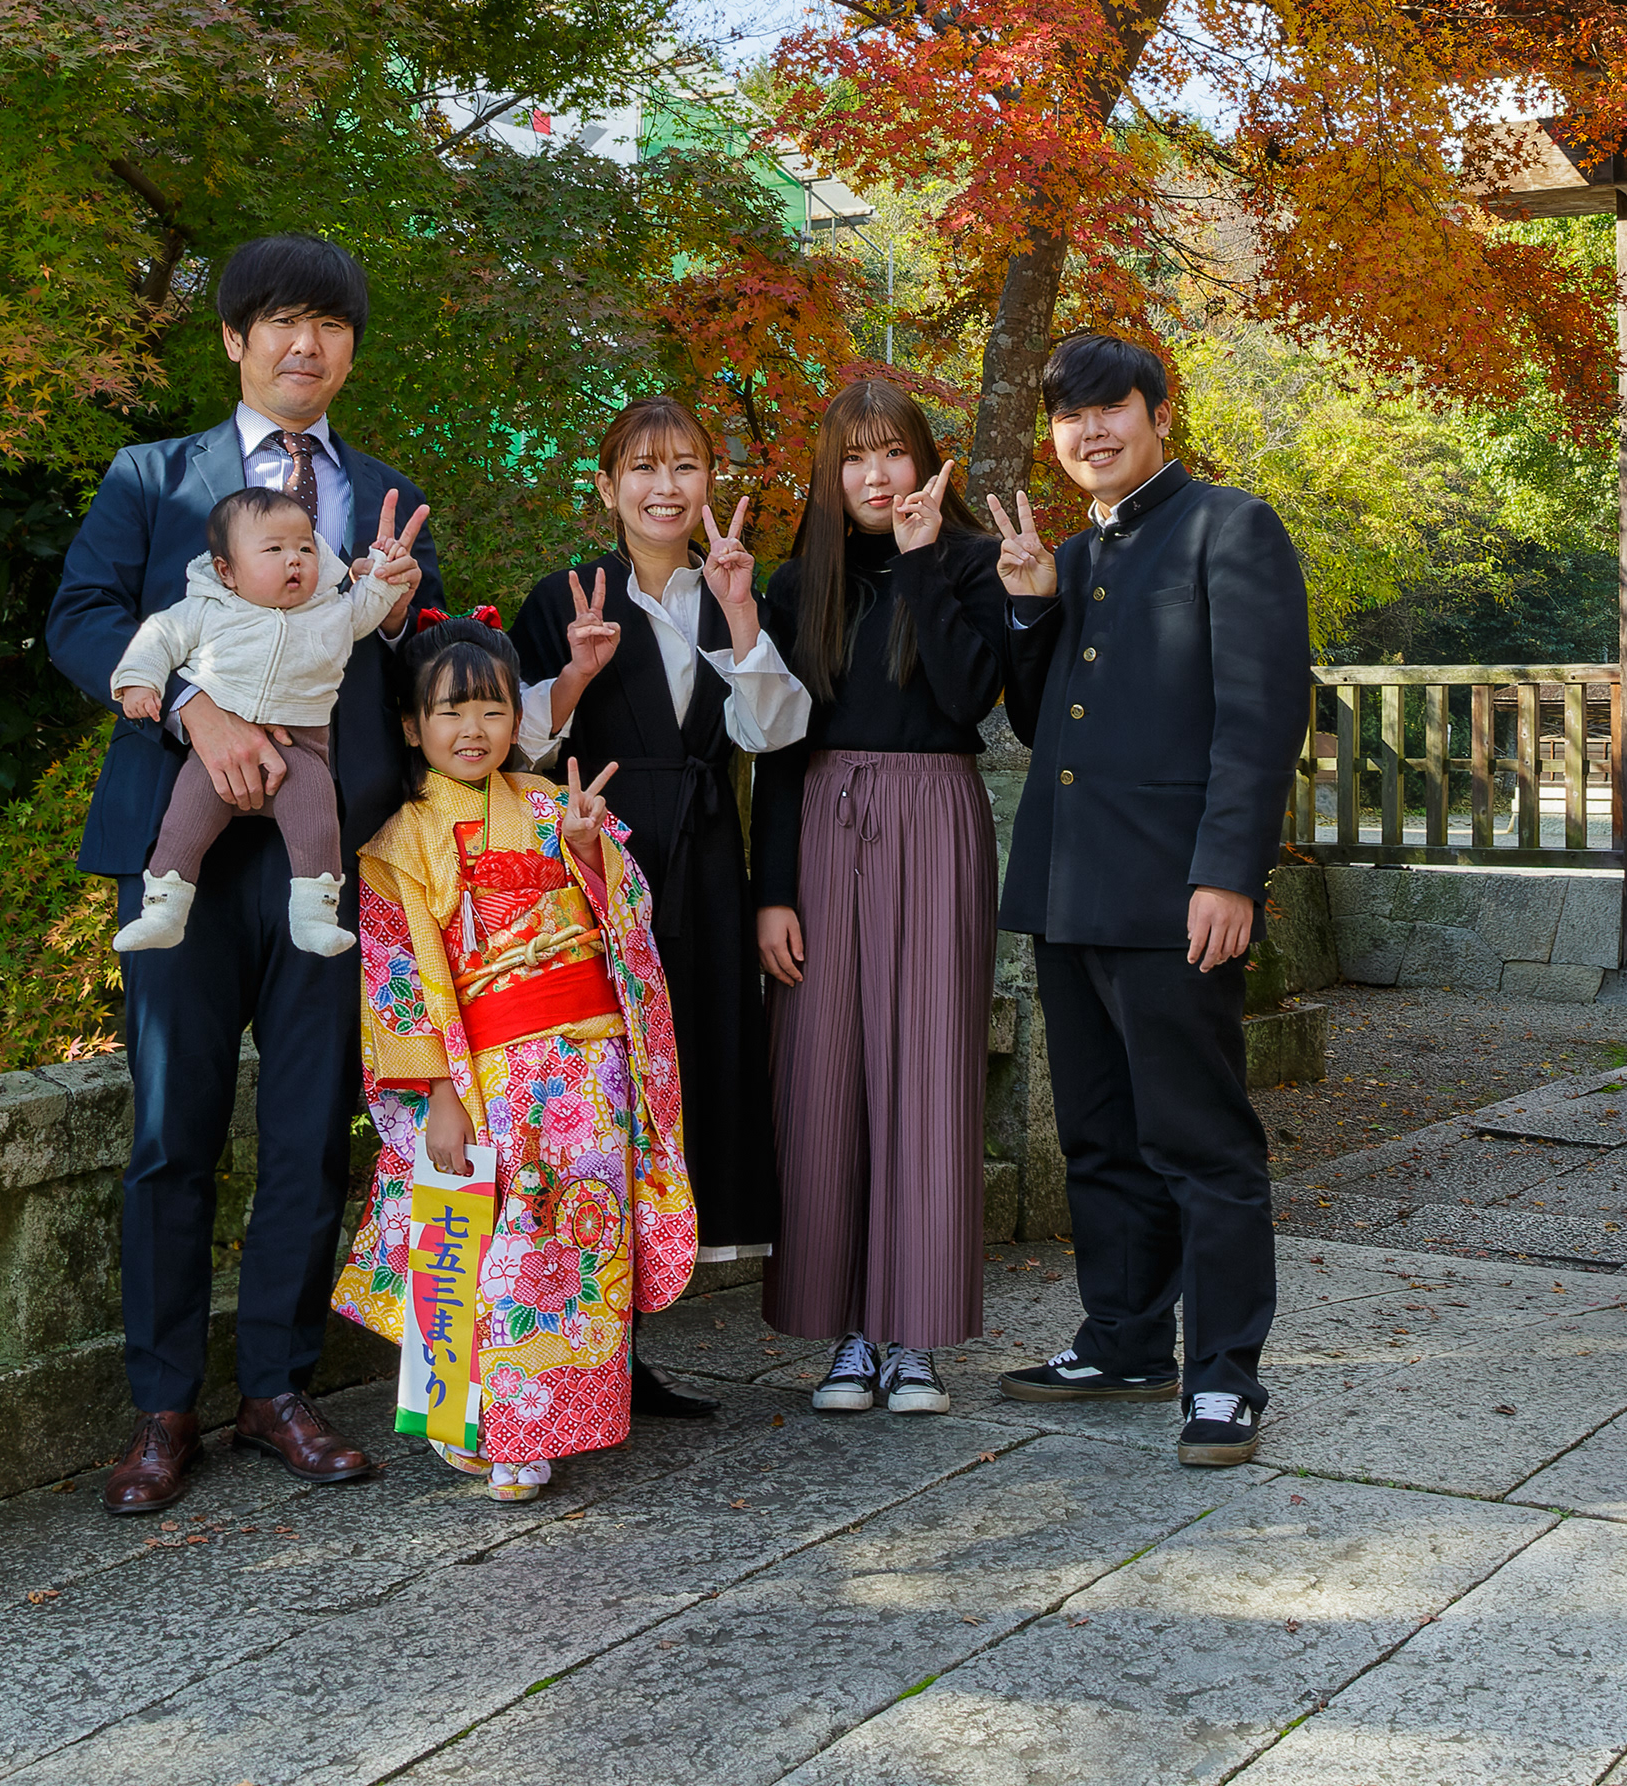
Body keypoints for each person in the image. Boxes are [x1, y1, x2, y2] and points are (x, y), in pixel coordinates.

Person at [47, 234, 440, 1516]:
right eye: (280, 321)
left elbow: (419, 665)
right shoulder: (154, 478)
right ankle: (161, 1408)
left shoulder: (380, 494)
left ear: (350, 351)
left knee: (307, 1126)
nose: (305, 345)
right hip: (184, 836)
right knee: (172, 1129)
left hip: (328, 851)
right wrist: (193, 712)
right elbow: (84, 616)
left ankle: (277, 1386)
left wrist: (417, 612)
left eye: (329, 326)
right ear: (233, 339)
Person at [983, 331, 1309, 1467]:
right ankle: (1122, 1338)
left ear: (1158, 412)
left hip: (1178, 895)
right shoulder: (1067, 557)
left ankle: (1225, 1377)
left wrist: (1229, 873)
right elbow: (1037, 723)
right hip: (1072, 890)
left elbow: (1260, 717)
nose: (1089, 432)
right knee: (1099, 1138)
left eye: (1109, 407)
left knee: (1201, 1142)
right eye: (1068, 417)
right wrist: (1027, 610)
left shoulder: (1231, 526)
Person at [332, 617, 697, 1501]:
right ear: (411, 727)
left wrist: (586, 851)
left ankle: (565, 1419)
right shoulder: (399, 842)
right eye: (450, 712)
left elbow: (630, 918)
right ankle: (503, 1430)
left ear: (516, 721)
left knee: (582, 1247)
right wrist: (440, 1099)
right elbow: (399, 983)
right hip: (490, 1075)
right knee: (503, 1253)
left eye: (492, 710)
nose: (473, 731)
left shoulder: (547, 804)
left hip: (591, 1070)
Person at [510, 399, 808, 1317]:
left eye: (685, 466)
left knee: (696, 1064)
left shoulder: (734, 590)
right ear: (607, 487)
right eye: (642, 468)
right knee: (598, 1082)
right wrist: (576, 676)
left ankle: (646, 1318)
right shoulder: (564, 595)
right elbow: (506, 747)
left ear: (709, 483)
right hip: (593, 859)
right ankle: (598, 1336)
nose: (664, 487)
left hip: (708, 855)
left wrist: (741, 610)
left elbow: (776, 729)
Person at [751, 383, 1010, 1418]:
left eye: (893, 454)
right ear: (829, 471)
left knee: (929, 1070)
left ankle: (915, 1336)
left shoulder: (971, 566)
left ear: (925, 464)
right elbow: (771, 749)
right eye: (854, 456)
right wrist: (773, 892)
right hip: (820, 822)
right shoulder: (790, 584)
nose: (874, 475)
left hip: (936, 817)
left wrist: (921, 564)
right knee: (823, 1073)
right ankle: (849, 1331)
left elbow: (966, 697)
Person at [107, 487, 419, 955]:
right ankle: (163, 911)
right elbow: (157, 639)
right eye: (274, 549)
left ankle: (315, 917)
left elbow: (368, 608)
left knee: (318, 822)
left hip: (302, 750)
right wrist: (139, 682)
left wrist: (383, 575)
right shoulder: (207, 609)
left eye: (305, 548)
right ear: (226, 571)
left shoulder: (332, 611)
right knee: (184, 823)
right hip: (214, 754)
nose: (294, 560)